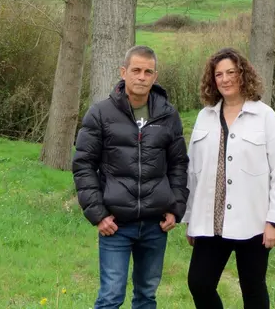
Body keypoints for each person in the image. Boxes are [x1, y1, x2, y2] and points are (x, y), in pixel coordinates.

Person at [73, 45, 189, 309]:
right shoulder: (100, 114)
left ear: (155, 77)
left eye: (148, 72)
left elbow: (179, 165)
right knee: (111, 296)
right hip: (116, 224)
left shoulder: (168, 115)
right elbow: (83, 165)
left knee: (147, 296)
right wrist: (98, 214)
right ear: (123, 72)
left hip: (155, 224)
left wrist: (176, 208)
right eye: (136, 70)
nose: (141, 77)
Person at [183, 47, 275, 309]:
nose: (225, 79)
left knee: (253, 289)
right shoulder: (204, 117)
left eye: (231, 72)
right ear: (213, 80)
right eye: (219, 74)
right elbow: (193, 172)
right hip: (210, 222)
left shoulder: (265, 117)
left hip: (253, 223)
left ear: (243, 74)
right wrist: (190, 218)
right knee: (199, 283)